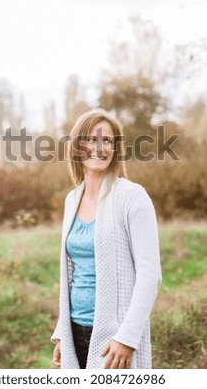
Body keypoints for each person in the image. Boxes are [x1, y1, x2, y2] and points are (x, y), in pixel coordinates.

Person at [51, 109, 162, 369]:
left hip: (115, 339)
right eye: (91, 139)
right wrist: (62, 334)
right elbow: (73, 275)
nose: (99, 148)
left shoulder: (132, 197)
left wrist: (127, 338)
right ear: (77, 146)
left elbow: (150, 274)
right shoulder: (72, 200)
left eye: (108, 141)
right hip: (75, 332)